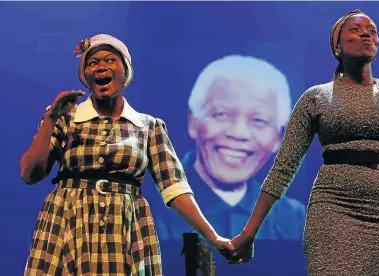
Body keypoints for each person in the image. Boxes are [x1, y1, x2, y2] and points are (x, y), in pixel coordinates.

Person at [230, 10, 379, 276]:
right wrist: (249, 232)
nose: (366, 33)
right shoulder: (316, 98)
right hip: (333, 212)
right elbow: (283, 168)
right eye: (356, 29)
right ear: (337, 45)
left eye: (372, 30)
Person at [20, 34, 235, 275]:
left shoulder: (148, 126)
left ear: (125, 72)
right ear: (86, 78)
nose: (101, 67)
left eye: (110, 60)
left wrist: (212, 236)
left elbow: (175, 189)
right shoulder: (66, 119)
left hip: (124, 228)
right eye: (92, 63)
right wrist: (50, 119)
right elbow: (30, 174)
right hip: (67, 223)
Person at [153, 55, 306, 241]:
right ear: (193, 122)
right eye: (222, 114)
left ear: (278, 138)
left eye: (259, 120)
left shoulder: (292, 219)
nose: (238, 133)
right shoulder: (149, 208)